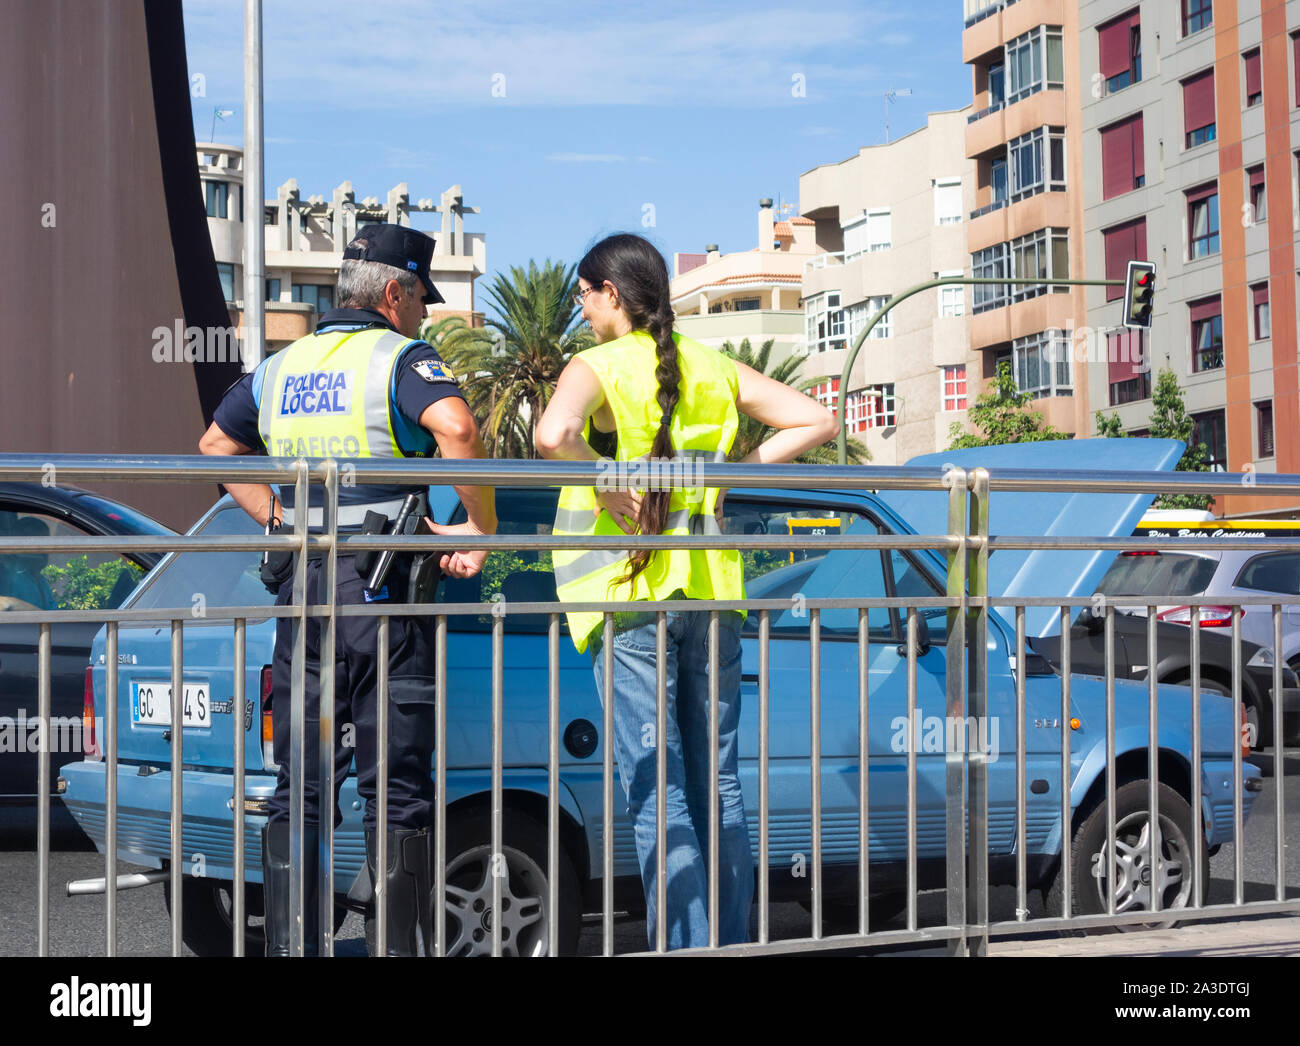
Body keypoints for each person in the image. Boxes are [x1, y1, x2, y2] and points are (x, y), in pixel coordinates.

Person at [199, 223, 496, 956]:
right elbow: (456, 425)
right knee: (394, 790)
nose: (424, 313)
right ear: (393, 294)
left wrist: (278, 517)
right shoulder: (400, 357)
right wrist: (480, 529)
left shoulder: (282, 367)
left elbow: (213, 447)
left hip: (305, 594)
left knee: (301, 785)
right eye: (421, 299)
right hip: (383, 593)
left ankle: (292, 947)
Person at [535, 233, 837, 949]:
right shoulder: (714, 367)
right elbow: (818, 418)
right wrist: (738, 473)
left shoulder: (598, 364)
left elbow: (553, 435)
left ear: (613, 292)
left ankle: (687, 947)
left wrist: (609, 487)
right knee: (718, 785)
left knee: (656, 789)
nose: (580, 309)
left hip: (633, 592)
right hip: (711, 592)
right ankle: (724, 944)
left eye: (583, 294)